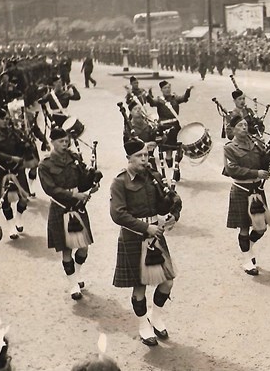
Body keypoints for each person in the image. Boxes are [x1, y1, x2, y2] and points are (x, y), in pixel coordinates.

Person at [110, 138, 182, 346]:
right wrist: (145, 228)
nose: (144, 159)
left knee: (168, 280)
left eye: (145, 155)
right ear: (129, 159)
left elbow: (160, 206)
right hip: (133, 236)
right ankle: (143, 324)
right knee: (140, 286)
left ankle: (156, 315)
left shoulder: (153, 177)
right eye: (139, 156)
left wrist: (171, 209)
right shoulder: (120, 182)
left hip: (155, 234)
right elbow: (118, 214)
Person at [38, 127, 100, 300]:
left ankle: (76, 274)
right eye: (61, 141)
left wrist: (92, 182)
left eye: (67, 141)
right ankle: (73, 284)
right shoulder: (45, 164)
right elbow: (50, 189)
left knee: (84, 247)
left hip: (78, 206)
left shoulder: (74, 158)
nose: (65, 144)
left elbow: (82, 181)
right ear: (52, 142)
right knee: (66, 250)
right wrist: (73, 194)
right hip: (60, 207)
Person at [223, 115, 270, 276]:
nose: (244, 127)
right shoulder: (229, 148)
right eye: (240, 125)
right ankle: (248, 260)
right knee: (244, 227)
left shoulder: (256, 143)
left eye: (245, 125)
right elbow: (232, 169)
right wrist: (257, 172)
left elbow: (266, 158)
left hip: (257, 189)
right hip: (241, 189)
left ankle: (247, 246)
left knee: (261, 227)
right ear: (233, 130)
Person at [0, 109, 30, 240]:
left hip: (16, 169)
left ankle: (19, 218)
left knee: (24, 196)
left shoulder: (14, 132)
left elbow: (22, 147)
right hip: (1, 170)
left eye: (7, 119)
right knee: (5, 201)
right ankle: (11, 225)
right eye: (3, 119)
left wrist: (26, 143)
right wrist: (11, 158)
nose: (6, 121)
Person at [147, 80, 192, 175]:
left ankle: (176, 166)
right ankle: (172, 170)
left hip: (176, 127)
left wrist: (188, 89)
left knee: (180, 148)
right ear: (161, 90)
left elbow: (184, 98)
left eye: (168, 87)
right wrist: (148, 93)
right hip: (164, 128)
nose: (167, 90)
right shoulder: (159, 100)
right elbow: (151, 102)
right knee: (168, 151)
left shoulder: (175, 98)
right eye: (165, 88)